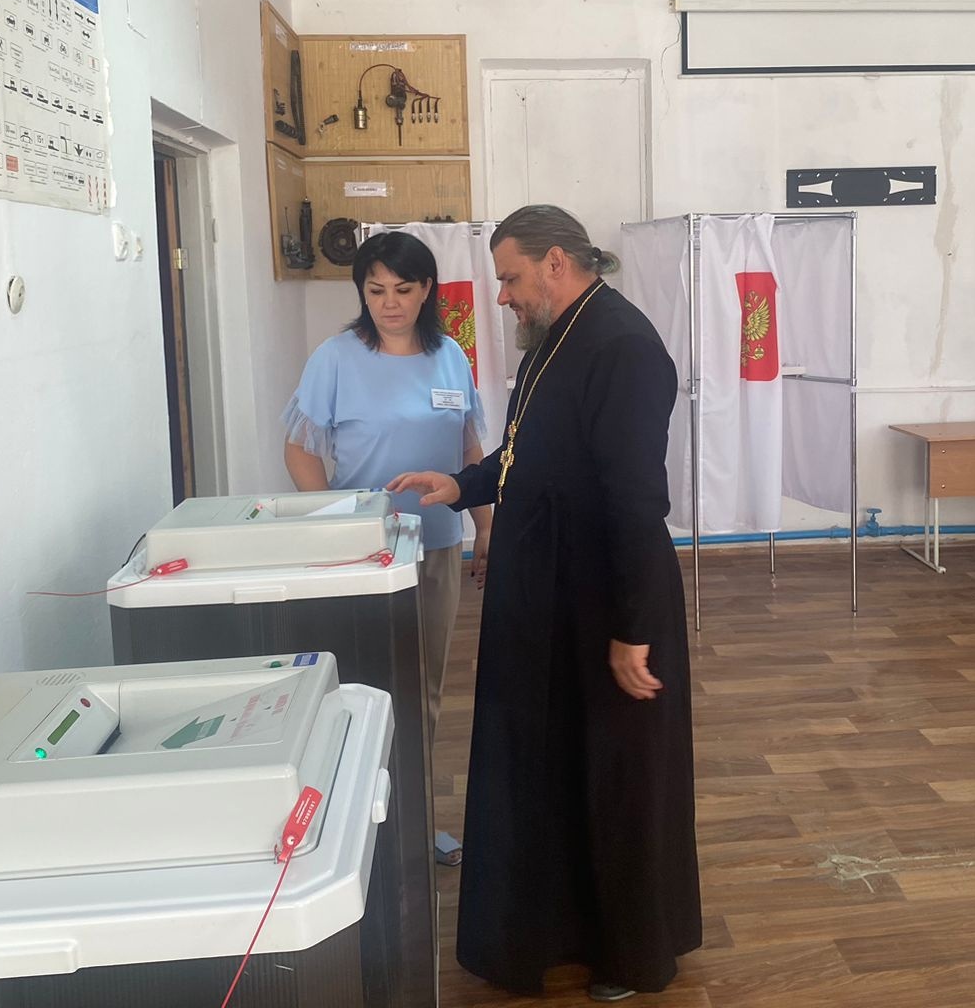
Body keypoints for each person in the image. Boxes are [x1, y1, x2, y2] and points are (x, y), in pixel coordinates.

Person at [390, 205, 701, 1002]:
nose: (502, 296)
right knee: (552, 768)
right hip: (549, 594)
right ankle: (559, 930)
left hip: (605, 597)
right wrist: (462, 484)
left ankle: (629, 953)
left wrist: (632, 629)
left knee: (615, 777)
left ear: (557, 262)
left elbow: (637, 502)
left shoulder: (624, 348)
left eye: (511, 278)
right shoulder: (554, 340)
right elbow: (527, 452)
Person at [283, 230, 491, 865]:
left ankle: (413, 823)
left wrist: (487, 527)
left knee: (423, 686)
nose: (389, 303)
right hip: (363, 552)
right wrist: (334, 520)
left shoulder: (450, 356)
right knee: (363, 685)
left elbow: (470, 452)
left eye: (403, 289)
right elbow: (300, 449)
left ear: (426, 290)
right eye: (376, 291)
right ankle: (354, 831)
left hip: (435, 545)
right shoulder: (336, 358)